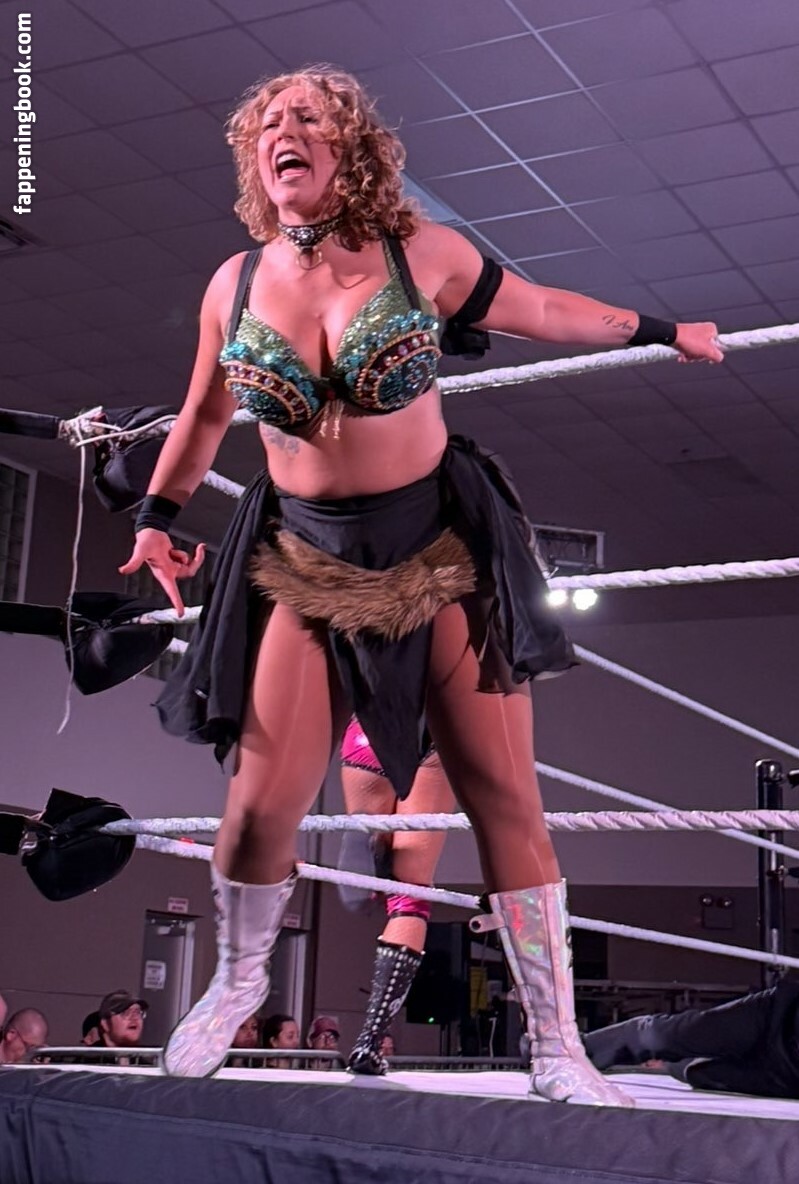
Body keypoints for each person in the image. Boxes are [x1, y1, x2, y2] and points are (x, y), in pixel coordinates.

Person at [120, 65, 721, 1105]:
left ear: (348, 145)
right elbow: (206, 415)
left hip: (434, 549)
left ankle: (555, 1043)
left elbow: (542, 307)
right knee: (259, 804)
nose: (283, 130)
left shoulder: (421, 253)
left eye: (307, 116)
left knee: (502, 797)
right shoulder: (234, 282)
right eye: (268, 121)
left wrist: (666, 331)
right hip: (305, 558)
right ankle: (237, 980)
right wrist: (155, 519)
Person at [340, 716, 455, 1074]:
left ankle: (368, 831)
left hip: (369, 726)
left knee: (371, 830)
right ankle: (370, 1042)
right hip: (434, 731)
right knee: (410, 896)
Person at [585, 979, 799, 1099]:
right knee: (661, 1036)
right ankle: (571, 1053)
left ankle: (672, 1065)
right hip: (780, 1015)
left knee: (697, 1073)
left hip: (789, 1076)